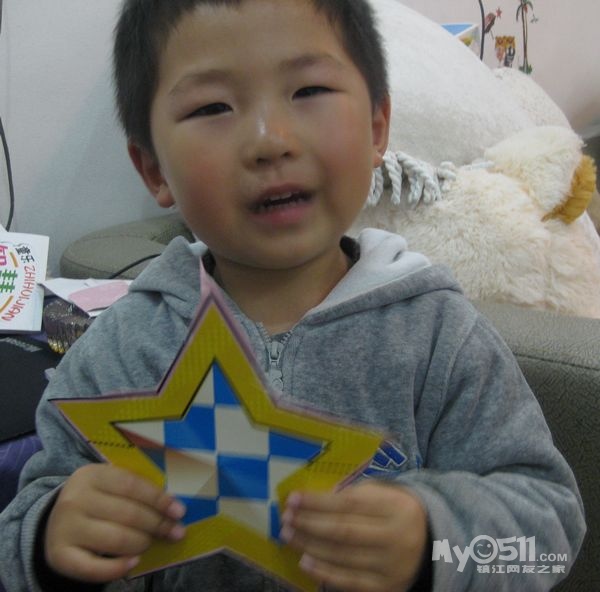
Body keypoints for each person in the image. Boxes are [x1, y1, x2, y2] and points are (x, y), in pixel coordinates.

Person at [0, 0, 585, 590]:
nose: (270, 140)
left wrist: (434, 540)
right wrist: (50, 539)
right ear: (153, 168)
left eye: (309, 90)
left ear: (376, 127)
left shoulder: (439, 336)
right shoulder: (123, 347)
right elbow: (17, 535)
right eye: (212, 107)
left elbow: (547, 537)